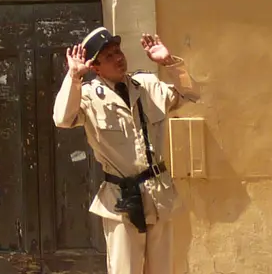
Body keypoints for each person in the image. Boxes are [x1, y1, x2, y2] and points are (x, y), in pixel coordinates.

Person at [53, 26, 200, 274]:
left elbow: (192, 94)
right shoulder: (87, 96)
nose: (118, 58)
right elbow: (62, 119)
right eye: (108, 56)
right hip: (121, 200)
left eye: (117, 51)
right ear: (95, 67)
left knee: (163, 269)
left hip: (158, 195)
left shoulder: (147, 85)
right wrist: (74, 77)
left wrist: (169, 62)